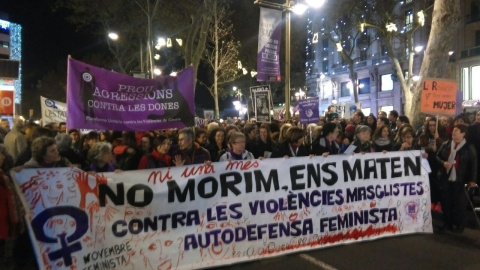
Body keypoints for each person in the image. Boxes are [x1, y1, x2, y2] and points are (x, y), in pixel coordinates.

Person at [436, 124, 478, 233]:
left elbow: (473, 164)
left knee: (460, 204)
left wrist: (472, 180)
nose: (453, 132)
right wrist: (443, 163)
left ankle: (460, 225)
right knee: (446, 202)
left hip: (461, 180)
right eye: (453, 130)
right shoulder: (446, 144)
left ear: (463, 133)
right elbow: (437, 156)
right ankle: (447, 224)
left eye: (457, 131)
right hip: (447, 178)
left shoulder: (469, 147)